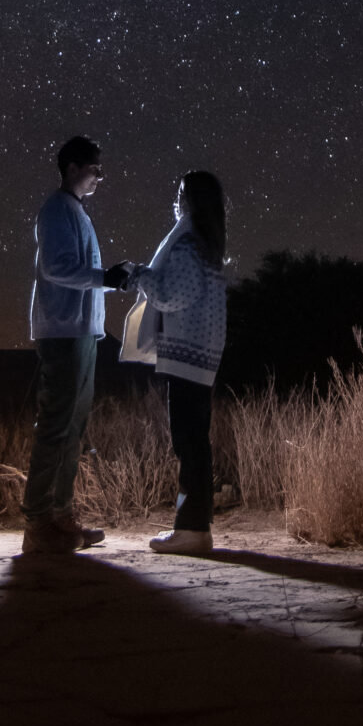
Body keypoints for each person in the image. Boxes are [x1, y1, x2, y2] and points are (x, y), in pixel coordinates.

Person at [23, 134, 131, 554]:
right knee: (56, 424)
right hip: (62, 330)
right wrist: (105, 277)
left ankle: (61, 516)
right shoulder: (56, 210)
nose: (100, 177)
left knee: (73, 426)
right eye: (94, 169)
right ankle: (38, 522)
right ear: (72, 168)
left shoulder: (75, 211)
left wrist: (107, 279)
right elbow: (56, 267)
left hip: (82, 330)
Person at [120, 169, 229, 558]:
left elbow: (173, 295)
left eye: (181, 193)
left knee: (188, 442)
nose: (176, 200)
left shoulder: (187, 244)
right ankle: (196, 526)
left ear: (192, 200)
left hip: (186, 354)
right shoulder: (207, 245)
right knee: (195, 441)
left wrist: (139, 275)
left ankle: (192, 530)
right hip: (201, 354)